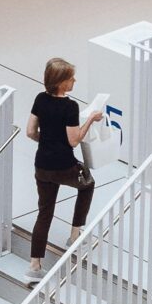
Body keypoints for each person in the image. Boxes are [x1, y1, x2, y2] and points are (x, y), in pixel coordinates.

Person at [25, 56, 103, 278]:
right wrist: (91, 120)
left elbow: (30, 131)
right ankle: (75, 235)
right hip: (64, 166)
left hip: (42, 166)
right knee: (87, 185)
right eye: (70, 78)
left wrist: (47, 140)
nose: (74, 81)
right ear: (61, 82)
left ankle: (34, 266)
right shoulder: (70, 107)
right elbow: (74, 140)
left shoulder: (40, 99)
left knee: (45, 212)